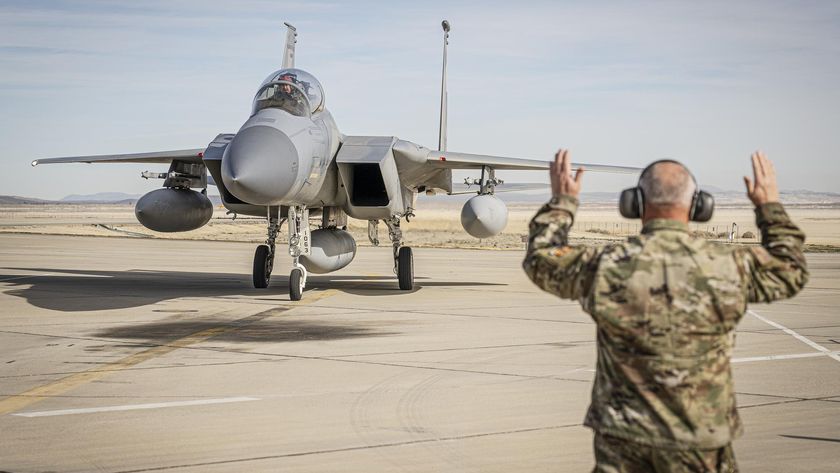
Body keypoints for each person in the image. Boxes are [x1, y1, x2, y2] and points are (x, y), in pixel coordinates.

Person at [522, 150, 808, 472]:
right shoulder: (730, 267)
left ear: (635, 205)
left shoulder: (606, 266)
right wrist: (768, 206)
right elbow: (790, 268)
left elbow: (541, 259)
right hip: (700, 440)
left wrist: (563, 202)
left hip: (624, 441)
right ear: (699, 207)